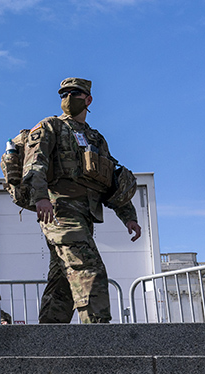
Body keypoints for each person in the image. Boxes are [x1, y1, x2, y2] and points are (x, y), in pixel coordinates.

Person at [22, 77, 141, 324]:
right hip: (59, 211)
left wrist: (129, 216)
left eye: (74, 93)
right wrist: (41, 197)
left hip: (85, 216)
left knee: (62, 281)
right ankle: (98, 334)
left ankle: (49, 339)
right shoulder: (50, 126)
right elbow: (35, 164)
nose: (67, 98)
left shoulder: (96, 139)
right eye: (63, 93)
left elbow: (110, 181)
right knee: (89, 270)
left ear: (87, 100)